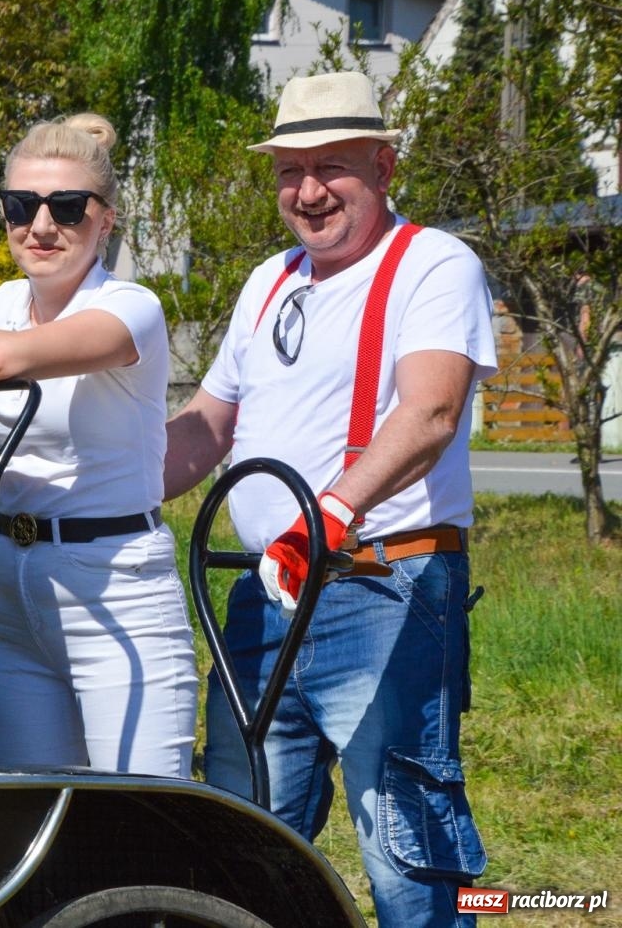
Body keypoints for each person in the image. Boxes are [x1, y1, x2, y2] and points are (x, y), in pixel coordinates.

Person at [163, 71, 495, 926]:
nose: (307, 192)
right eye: (288, 171)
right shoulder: (268, 280)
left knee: (404, 846)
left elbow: (430, 410)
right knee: (242, 836)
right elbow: (206, 425)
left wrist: (329, 517)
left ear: (384, 167)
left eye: (332, 167)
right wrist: (88, 500)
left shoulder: (433, 262)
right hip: (265, 601)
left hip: (383, 590)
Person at [0, 113, 195, 776]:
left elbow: (3, 361)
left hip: (115, 582)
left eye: (67, 208)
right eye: (22, 206)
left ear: (106, 220)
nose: (41, 226)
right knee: (32, 825)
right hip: (10, 585)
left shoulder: (131, 306)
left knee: (143, 819)